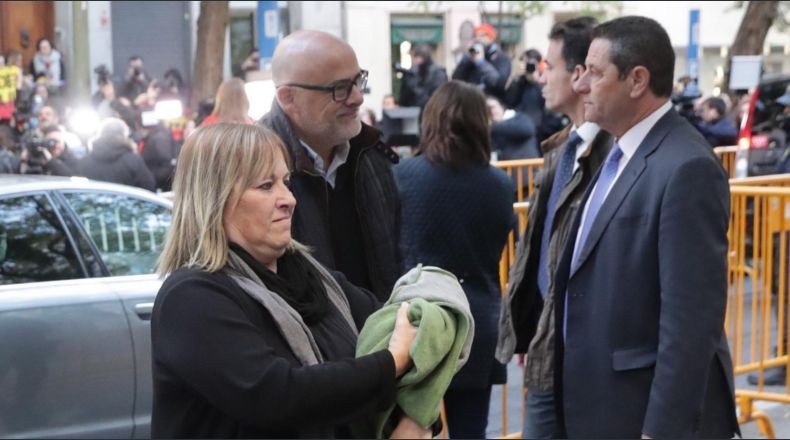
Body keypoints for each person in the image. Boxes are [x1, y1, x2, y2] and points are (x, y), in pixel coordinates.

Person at [150, 122, 429, 439]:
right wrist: (391, 364)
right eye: (266, 186)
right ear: (214, 199)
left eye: (286, 182)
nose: (289, 199)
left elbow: (415, 330)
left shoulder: (317, 279)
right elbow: (276, 396)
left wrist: (415, 419)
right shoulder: (192, 298)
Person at [552, 16, 739, 438]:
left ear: (637, 80)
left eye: (595, 73)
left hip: (641, 417)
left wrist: (661, 431)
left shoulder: (687, 167)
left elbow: (690, 324)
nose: (581, 85)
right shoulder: (616, 152)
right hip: (599, 408)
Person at [494, 16, 612, 440]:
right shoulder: (561, 147)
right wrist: (534, 324)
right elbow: (542, 247)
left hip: (585, 357)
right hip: (547, 346)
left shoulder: (614, 157)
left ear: (580, 75)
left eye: (550, 66)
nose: (541, 77)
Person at [394, 80, 514, 439]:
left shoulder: (402, 176)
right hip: (477, 320)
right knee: (472, 430)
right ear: (481, 124)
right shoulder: (501, 185)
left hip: (417, 321)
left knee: (410, 428)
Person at [261, 30, 403, 301]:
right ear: (288, 98)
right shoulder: (252, 168)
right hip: (305, 341)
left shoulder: (370, 153)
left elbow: (398, 257)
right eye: (339, 88)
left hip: (384, 336)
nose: (358, 97)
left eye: (358, 80)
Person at [77, 117, 155, 191]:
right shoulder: (133, 160)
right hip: (127, 204)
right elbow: (148, 186)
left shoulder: (84, 162)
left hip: (94, 204)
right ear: (124, 135)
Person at [452, 23, 512, 102]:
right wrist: (467, 57)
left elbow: (498, 83)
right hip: (471, 101)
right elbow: (456, 78)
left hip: (492, 101)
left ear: (491, 38)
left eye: (483, 35)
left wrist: (481, 62)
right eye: (476, 36)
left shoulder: (502, 58)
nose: (478, 39)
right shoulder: (470, 58)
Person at [397, 44, 448, 114]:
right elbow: (405, 98)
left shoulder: (437, 73)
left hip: (432, 112)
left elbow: (437, 95)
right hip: (415, 112)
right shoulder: (413, 73)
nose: (416, 61)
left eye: (418, 57)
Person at [487, 94, 539, 162]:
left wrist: (492, 126)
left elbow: (527, 130)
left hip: (526, 168)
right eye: (486, 109)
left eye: (492, 107)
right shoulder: (489, 131)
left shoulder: (519, 118)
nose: (491, 112)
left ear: (502, 106)